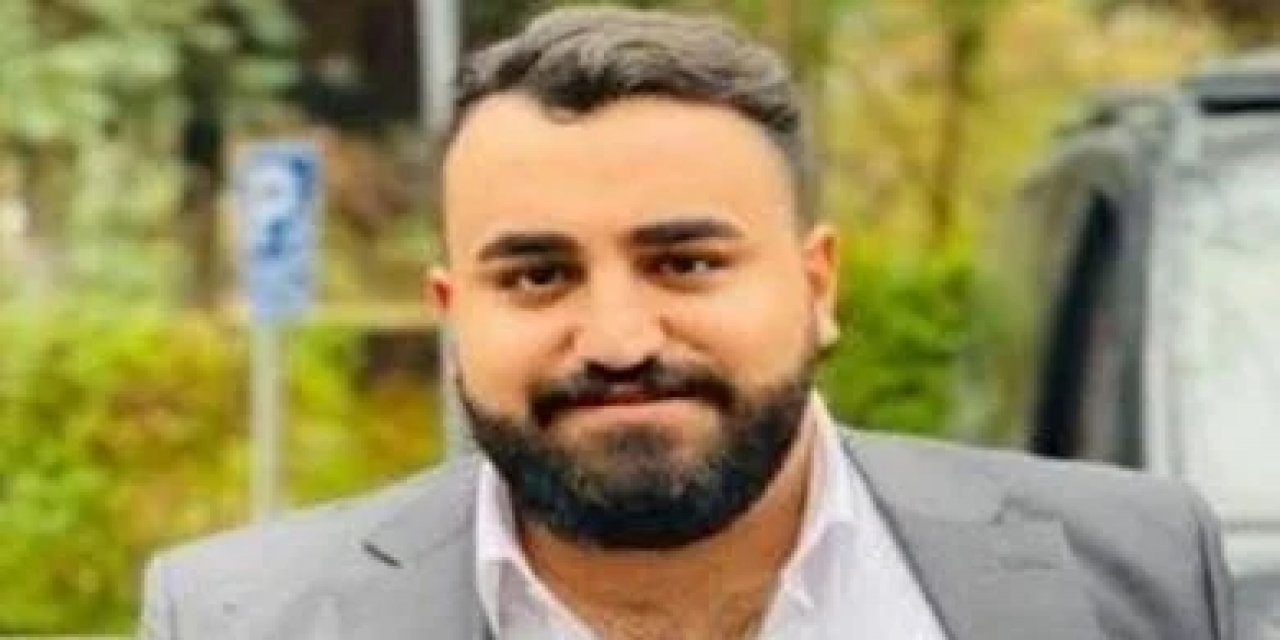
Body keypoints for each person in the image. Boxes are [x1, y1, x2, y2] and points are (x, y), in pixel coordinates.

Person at [140, 7, 1233, 639]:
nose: (618, 338)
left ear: (817, 283)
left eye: (687, 262)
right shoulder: (241, 619)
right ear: (452, 313)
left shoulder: (1128, 570)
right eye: (536, 275)